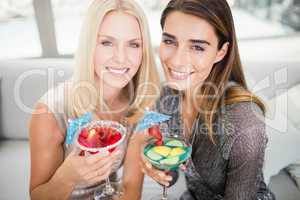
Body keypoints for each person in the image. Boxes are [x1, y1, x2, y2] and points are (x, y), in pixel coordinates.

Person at [141, 0, 276, 199]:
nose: (176, 60)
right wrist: (160, 169)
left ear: (221, 52)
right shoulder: (166, 97)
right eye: (169, 41)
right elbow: (176, 169)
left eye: (197, 47)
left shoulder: (244, 122)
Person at [29, 0, 159, 199]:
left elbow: (131, 188)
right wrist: (67, 176)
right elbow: (38, 196)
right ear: (90, 45)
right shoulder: (50, 111)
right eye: (107, 43)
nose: (121, 58)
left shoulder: (139, 106)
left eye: (133, 44)